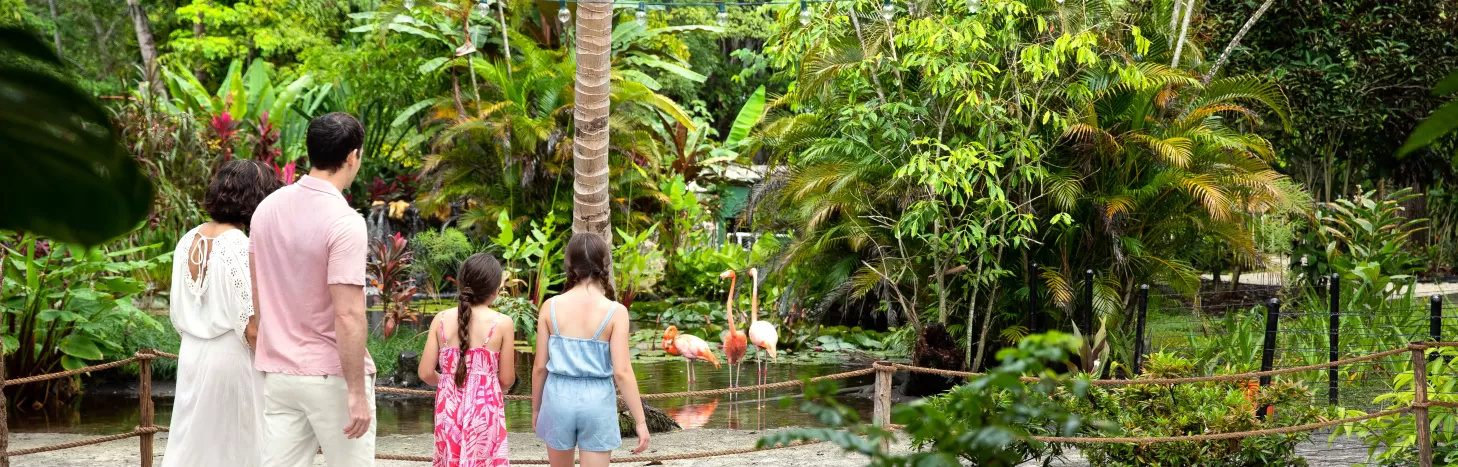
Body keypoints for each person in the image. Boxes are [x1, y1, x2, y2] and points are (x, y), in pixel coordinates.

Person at [251, 112, 376, 466]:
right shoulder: (344, 222)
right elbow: (349, 314)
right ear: (352, 156)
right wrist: (356, 392)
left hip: (279, 375)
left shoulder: (266, 209)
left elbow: (256, 292)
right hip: (330, 377)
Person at [161, 159, 283, 467]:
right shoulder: (238, 245)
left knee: (193, 444)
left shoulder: (187, 240)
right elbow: (251, 326)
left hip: (192, 354)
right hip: (234, 360)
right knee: (238, 446)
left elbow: (177, 311)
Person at [532, 233, 650, 467]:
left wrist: (536, 410)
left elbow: (538, 368)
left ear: (569, 265)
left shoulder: (550, 306)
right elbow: (622, 372)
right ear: (605, 265)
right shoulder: (616, 312)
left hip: (557, 398)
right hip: (597, 401)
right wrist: (640, 421)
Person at [418, 253, 516, 466]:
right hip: (485, 409)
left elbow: (425, 372)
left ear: (462, 285)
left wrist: (448, 382)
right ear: (494, 290)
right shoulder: (503, 323)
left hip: (448, 409)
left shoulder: (441, 319)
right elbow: (507, 379)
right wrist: (483, 385)